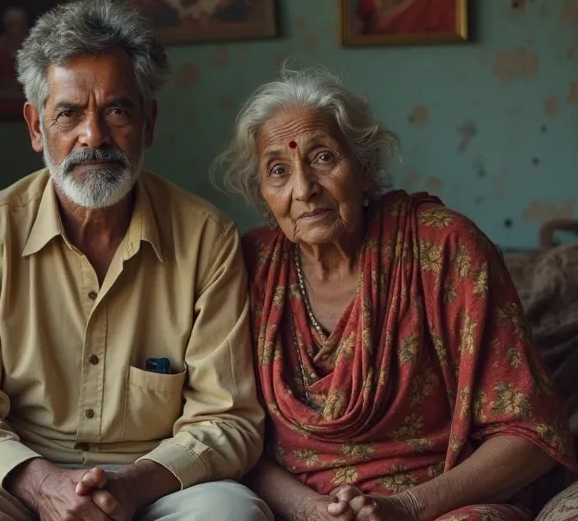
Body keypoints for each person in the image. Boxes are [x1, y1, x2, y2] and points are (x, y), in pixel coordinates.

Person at [0, 0, 270, 521]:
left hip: (156, 485)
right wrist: (42, 483)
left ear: (148, 122)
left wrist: (130, 486)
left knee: (232, 513)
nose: (92, 136)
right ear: (35, 126)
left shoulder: (206, 238)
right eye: (68, 113)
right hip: (20, 481)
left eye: (116, 111)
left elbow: (228, 418)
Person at [214, 65, 578, 521]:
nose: (304, 189)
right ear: (263, 193)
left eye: (324, 158)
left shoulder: (443, 247)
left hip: (440, 506)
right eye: (279, 170)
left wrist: (405, 507)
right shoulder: (248, 267)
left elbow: (532, 434)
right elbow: (229, 430)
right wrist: (311, 510)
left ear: (364, 168)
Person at [0, 7, 30, 100]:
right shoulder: (0, 44)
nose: (16, 30)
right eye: (12, 25)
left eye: (20, 25)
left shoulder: (30, 43)